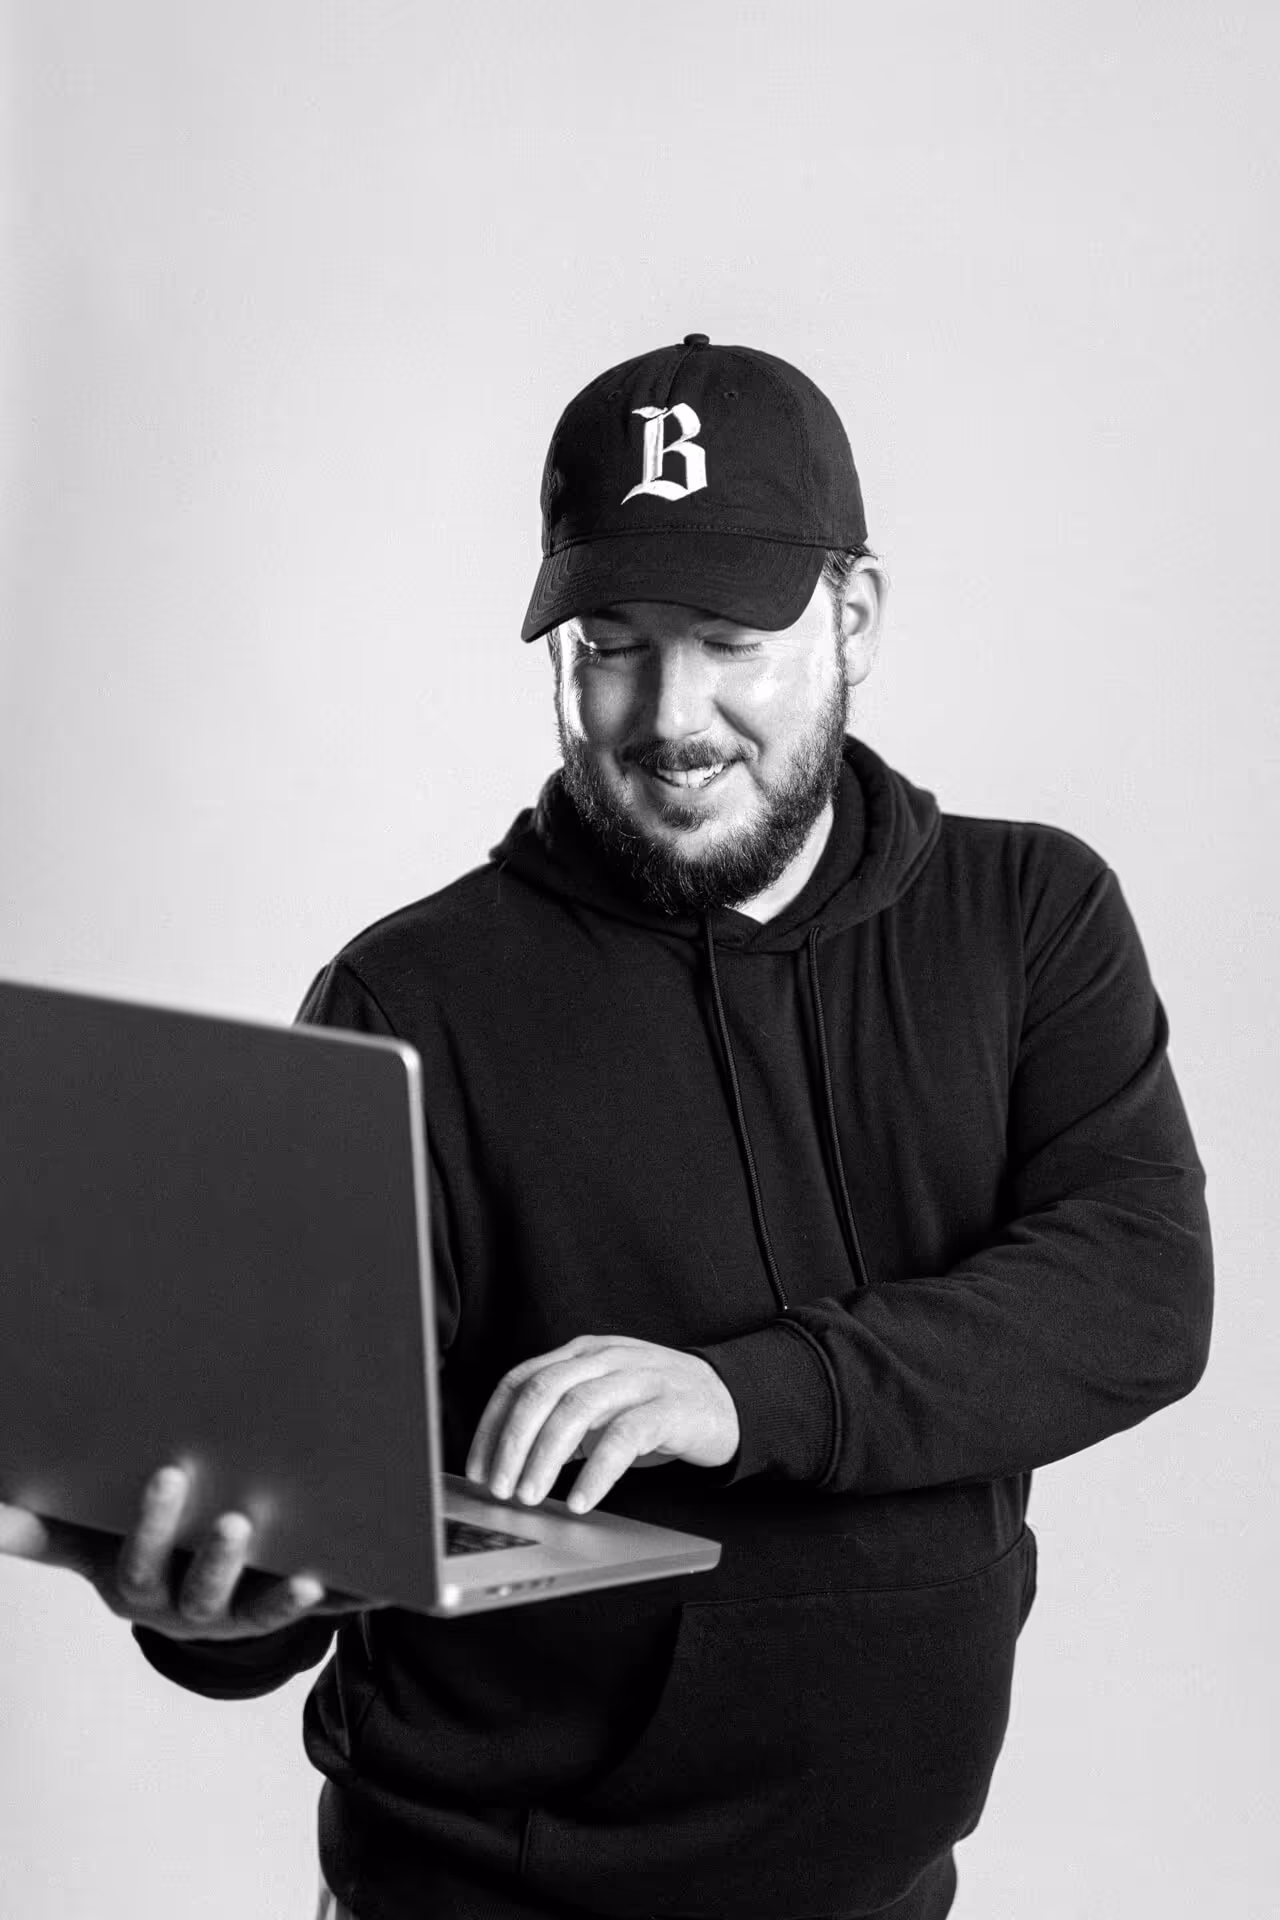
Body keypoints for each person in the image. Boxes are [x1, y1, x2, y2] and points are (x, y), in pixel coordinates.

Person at [0, 334, 1214, 1920]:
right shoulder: (408, 998)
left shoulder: (1029, 914)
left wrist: (738, 1392)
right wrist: (214, 1610)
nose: (671, 713)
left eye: (728, 639)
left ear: (853, 618)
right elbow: (310, 1516)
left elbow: (1134, 1294)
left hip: (888, 1890)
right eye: (615, 644)